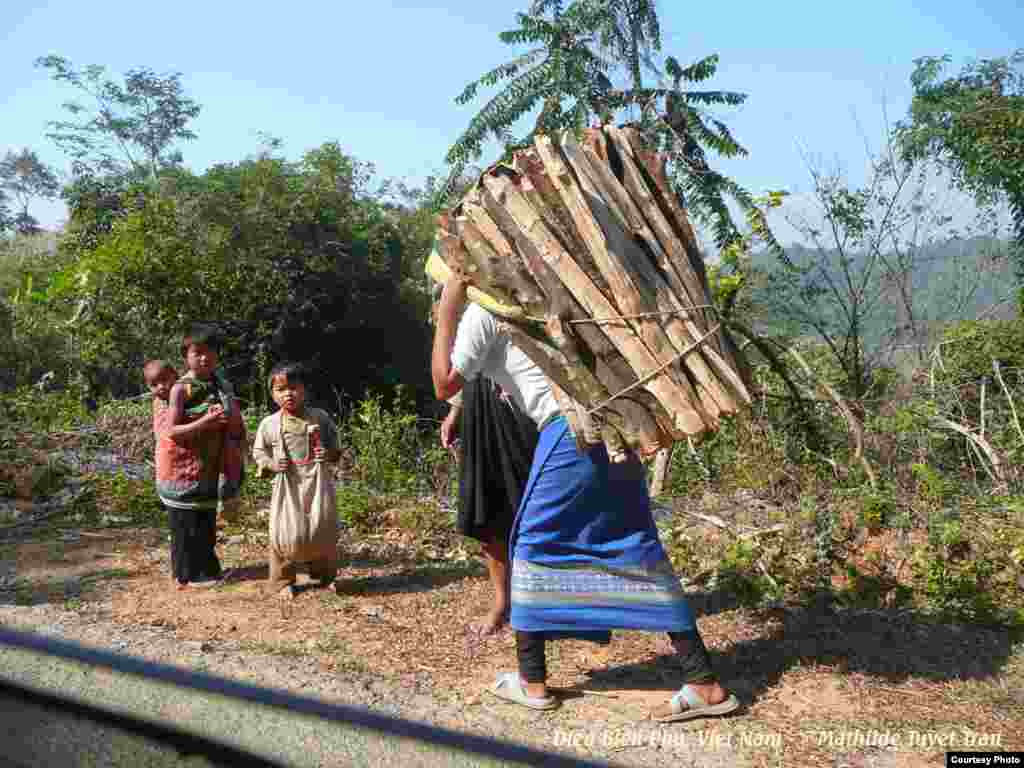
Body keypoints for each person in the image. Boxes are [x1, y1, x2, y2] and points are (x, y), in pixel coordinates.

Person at [431, 272, 740, 722]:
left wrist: (446, 314)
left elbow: (444, 383)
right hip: (616, 423)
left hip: (570, 430)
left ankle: (531, 681)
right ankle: (704, 683)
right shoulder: (543, 291)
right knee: (636, 544)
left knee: (531, 545)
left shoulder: (484, 310)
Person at [441, 375, 538, 637]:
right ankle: (501, 603)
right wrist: (455, 411)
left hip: (525, 405)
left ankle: (546, 604)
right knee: (489, 508)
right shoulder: (466, 333)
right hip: (480, 406)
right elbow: (463, 359)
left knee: (538, 507)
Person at [156, 326, 245, 589]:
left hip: (208, 468)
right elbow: (172, 431)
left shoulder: (221, 384)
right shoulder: (180, 389)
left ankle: (207, 570)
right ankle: (186, 575)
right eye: (197, 353)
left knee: (205, 522)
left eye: (210, 353)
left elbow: (234, 419)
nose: (204, 358)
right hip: (182, 470)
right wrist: (206, 421)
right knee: (184, 526)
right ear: (187, 356)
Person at [251, 362, 341, 600]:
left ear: (305, 390)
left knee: (321, 526)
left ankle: (324, 577)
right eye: (281, 389)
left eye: (294, 387)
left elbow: (335, 447)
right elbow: (258, 452)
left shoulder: (320, 418)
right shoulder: (269, 424)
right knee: (283, 532)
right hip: (286, 486)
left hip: (317, 483)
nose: (288, 393)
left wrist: (328, 454)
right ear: (272, 393)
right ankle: (281, 581)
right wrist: (271, 464)